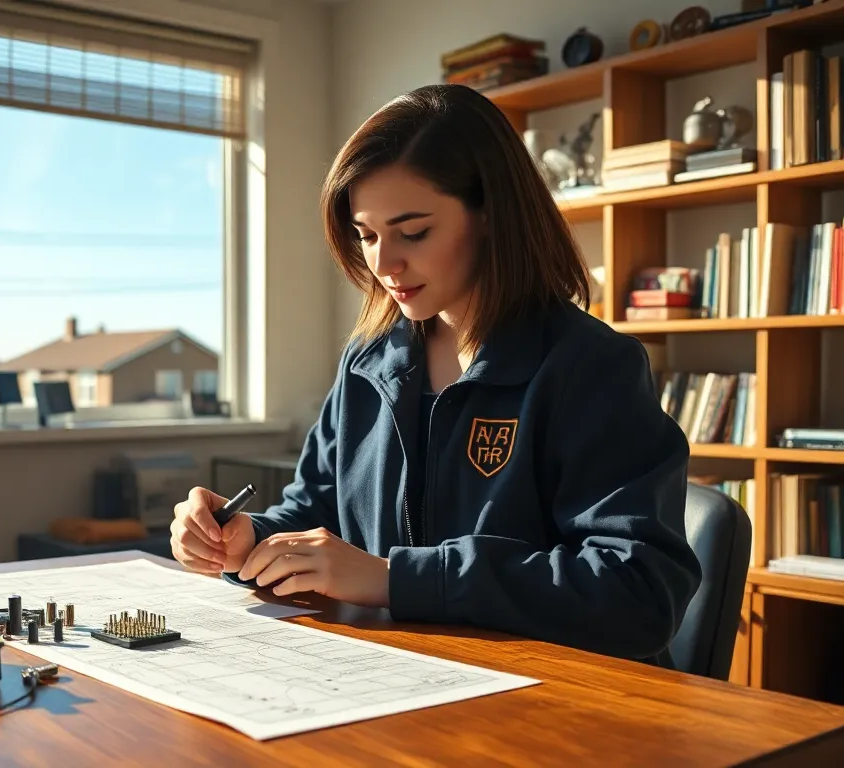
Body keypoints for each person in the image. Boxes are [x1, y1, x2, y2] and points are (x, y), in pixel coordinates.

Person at [169, 83, 702, 668]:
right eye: (366, 236)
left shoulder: (590, 367)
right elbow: (315, 511)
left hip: (552, 704)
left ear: (493, 216)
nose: (383, 264)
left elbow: (638, 593)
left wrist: (398, 580)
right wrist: (248, 538)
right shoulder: (368, 362)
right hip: (406, 680)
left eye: (414, 232)